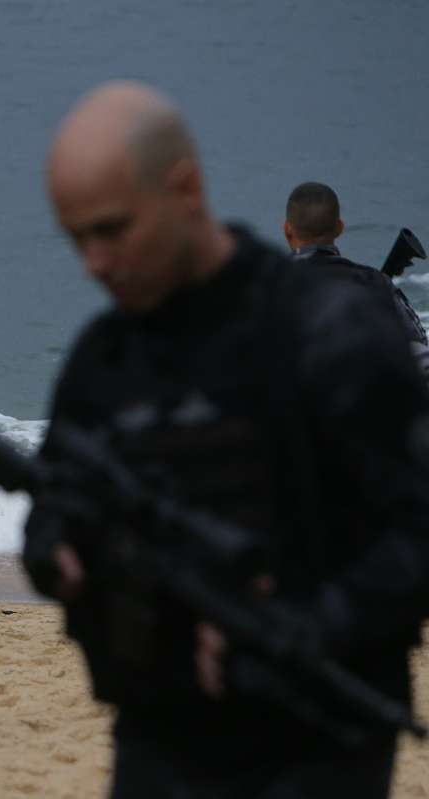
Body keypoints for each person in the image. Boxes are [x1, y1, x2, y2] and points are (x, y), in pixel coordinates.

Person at [24, 80, 429, 797]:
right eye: (76, 238)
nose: (94, 262)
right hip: (159, 735)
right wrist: (59, 550)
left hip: (320, 739)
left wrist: (308, 623)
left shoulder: (331, 333)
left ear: (186, 188)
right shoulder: (103, 360)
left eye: (112, 229)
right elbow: (52, 511)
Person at [284, 181, 429, 375]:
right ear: (339, 227)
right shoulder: (375, 282)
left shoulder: (261, 288)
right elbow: (419, 346)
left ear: (287, 229)